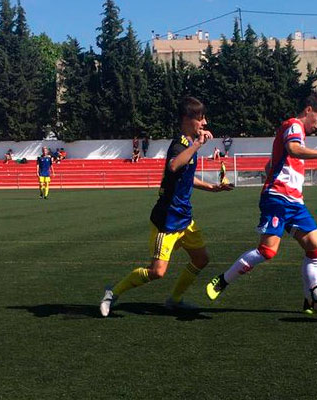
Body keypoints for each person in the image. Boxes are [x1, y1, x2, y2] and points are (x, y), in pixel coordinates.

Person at [204, 94, 317, 314]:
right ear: (308, 110)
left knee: (316, 248)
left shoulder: (296, 133)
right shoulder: (294, 126)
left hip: (294, 202)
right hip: (278, 198)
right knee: (267, 252)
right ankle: (222, 280)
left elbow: (271, 163)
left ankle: (311, 298)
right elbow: (293, 149)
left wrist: (275, 171)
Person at [100, 97, 233, 318]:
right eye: (200, 119)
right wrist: (198, 144)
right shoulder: (180, 144)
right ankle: (112, 293)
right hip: (168, 220)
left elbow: (185, 177)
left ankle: (175, 300)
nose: (204, 123)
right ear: (186, 119)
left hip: (184, 218)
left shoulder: (189, 145)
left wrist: (212, 187)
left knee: (201, 259)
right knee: (157, 272)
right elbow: (173, 166)